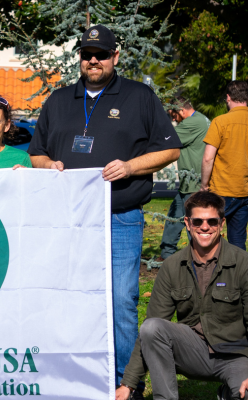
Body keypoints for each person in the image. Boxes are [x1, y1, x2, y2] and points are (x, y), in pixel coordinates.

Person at [27, 24, 181, 396]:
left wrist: (130, 167)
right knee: (66, 296)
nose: (92, 60)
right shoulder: (60, 99)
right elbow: (36, 152)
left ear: (115, 56)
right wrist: (49, 166)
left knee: (121, 301)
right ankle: (71, 375)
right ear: (79, 58)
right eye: (86, 54)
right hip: (68, 220)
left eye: (100, 54)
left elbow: (170, 150)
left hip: (120, 217)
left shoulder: (139, 96)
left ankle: (124, 384)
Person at [117, 191, 248, 400]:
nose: (205, 227)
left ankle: (229, 391)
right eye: (198, 221)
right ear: (187, 223)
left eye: (212, 221)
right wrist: (128, 384)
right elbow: (151, 330)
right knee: (151, 328)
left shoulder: (243, 263)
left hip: (235, 355)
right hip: (191, 351)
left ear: (221, 223)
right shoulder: (172, 266)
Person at [159, 97, 210, 259]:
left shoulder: (191, 123)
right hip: (188, 184)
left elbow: (166, 139)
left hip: (194, 184)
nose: (173, 119)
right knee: (174, 218)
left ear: (181, 110)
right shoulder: (202, 119)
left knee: (193, 225)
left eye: (173, 114)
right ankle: (167, 256)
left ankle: (199, 261)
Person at [201, 80, 248, 250]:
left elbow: (208, 158)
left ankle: (208, 271)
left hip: (221, 191)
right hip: (244, 191)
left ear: (228, 98)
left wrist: (204, 185)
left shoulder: (220, 122)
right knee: (238, 241)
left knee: (207, 234)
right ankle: (239, 275)